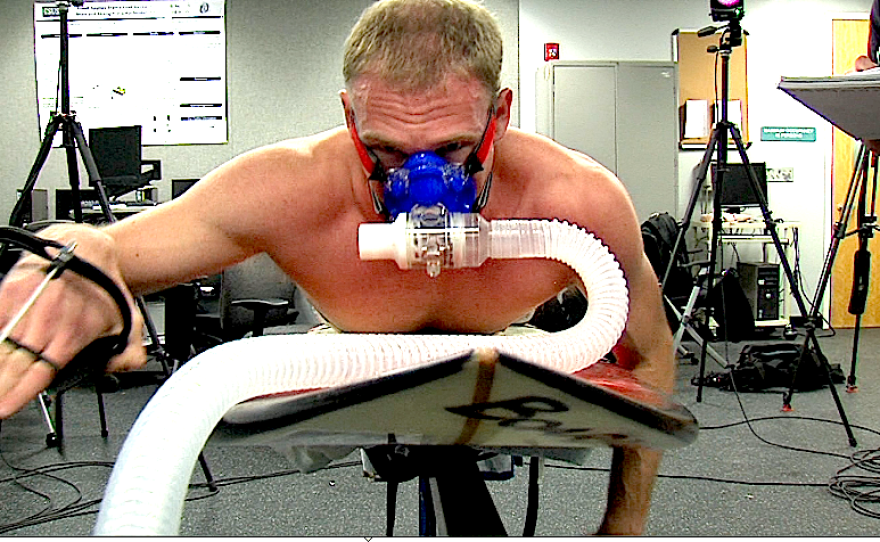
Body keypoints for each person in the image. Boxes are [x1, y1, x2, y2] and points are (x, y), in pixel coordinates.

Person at [0, 0, 674, 535]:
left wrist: (624, 525)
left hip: (516, 350)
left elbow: (649, 353)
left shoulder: (575, 200)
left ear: (499, 115)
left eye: (453, 146)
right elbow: (115, 249)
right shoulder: (292, 188)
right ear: (349, 116)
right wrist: (70, 258)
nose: (421, 180)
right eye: (382, 148)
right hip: (342, 358)